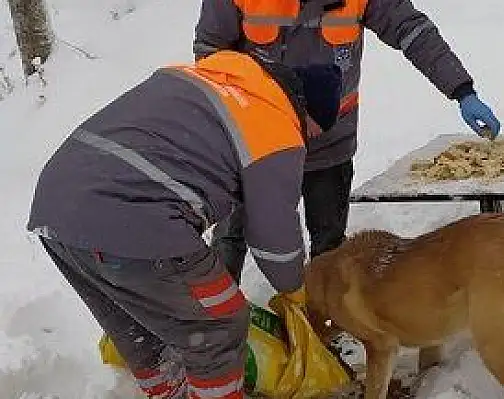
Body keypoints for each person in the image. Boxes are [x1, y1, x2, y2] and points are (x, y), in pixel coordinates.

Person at [26, 50, 343, 398]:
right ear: (306, 112)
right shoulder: (276, 126)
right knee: (219, 324)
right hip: (133, 220)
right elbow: (273, 236)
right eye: (314, 131)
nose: (309, 140)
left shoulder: (208, 81)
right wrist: (296, 291)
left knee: (139, 324)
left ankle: (169, 390)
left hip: (56, 208)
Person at [193, 0, 502, 266]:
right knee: (229, 240)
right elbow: (210, 53)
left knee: (329, 250)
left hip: (329, 143)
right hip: (255, 145)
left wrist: (462, 90)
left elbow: (412, 30)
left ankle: (324, 325)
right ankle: (216, 328)